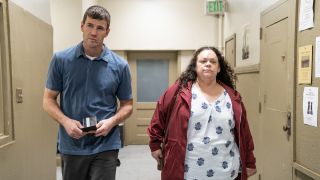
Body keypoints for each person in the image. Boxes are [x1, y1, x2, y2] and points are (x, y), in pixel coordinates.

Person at [43, 5, 133, 180]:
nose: (94, 32)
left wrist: (112, 122)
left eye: (100, 28)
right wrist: (66, 122)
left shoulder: (120, 66)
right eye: (90, 25)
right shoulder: (61, 60)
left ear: (107, 32)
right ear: (82, 26)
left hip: (105, 144)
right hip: (72, 144)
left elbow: (127, 105)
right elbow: (48, 100)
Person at [148, 46, 256, 180]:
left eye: (213, 61)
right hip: (187, 171)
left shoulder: (232, 97)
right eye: (203, 61)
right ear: (195, 67)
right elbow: (159, 118)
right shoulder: (178, 92)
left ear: (219, 68)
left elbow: (244, 132)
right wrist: (155, 144)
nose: (208, 64)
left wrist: (250, 161)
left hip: (226, 171)